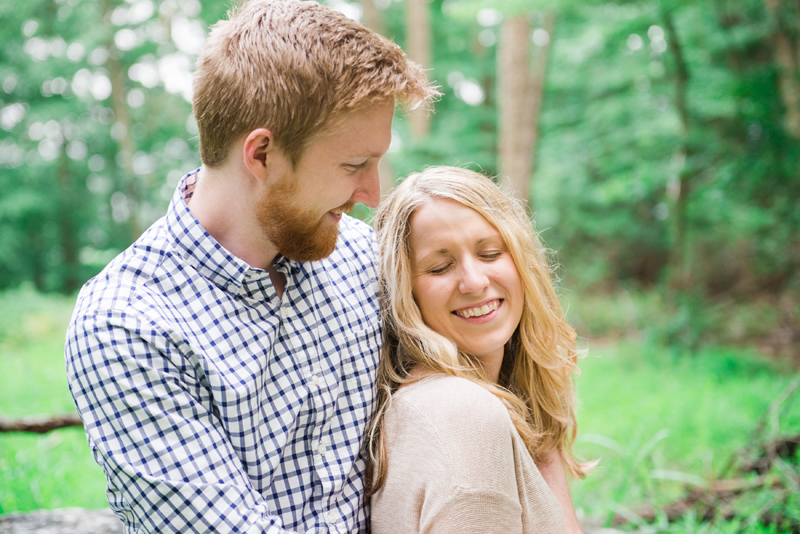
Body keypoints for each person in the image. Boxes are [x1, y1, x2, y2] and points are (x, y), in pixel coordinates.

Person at [64, 1, 437, 532]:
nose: (373, 195)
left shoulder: (364, 259)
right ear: (260, 154)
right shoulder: (127, 324)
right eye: (354, 166)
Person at [368, 166, 594, 533]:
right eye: (440, 268)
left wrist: (546, 445)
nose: (474, 282)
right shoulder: (464, 416)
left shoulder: (510, 398)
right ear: (405, 292)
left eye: (490, 253)